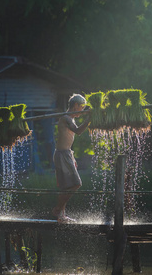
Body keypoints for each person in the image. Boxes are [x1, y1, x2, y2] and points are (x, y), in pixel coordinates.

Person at [52, 94, 90, 223]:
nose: (82, 111)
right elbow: (78, 131)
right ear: (75, 106)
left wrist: (72, 157)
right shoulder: (66, 118)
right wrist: (89, 119)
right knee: (76, 183)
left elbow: (70, 139)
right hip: (62, 154)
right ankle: (58, 208)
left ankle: (61, 216)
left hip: (67, 153)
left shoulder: (71, 119)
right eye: (81, 107)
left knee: (66, 187)